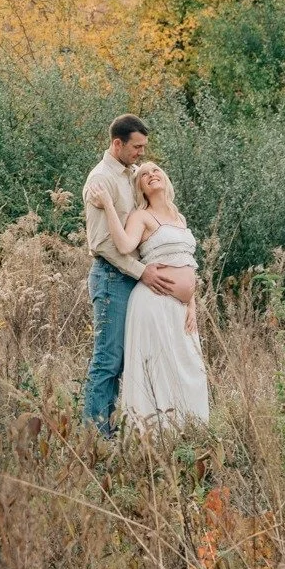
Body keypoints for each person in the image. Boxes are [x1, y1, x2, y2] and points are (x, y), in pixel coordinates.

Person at [88, 160, 209, 432]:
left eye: (155, 170)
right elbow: (123, 245)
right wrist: (108, 204)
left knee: (190, 368)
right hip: (154, 303)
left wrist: (191, 303)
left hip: (181, 309)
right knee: (160, 369)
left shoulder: (180, 218)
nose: (151, 174)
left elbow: (187, 263)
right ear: (140, 188)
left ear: (165, 177)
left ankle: (188, 431)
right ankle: (153, 435)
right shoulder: (141, 216)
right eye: (144, 175)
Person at [81, 115, 178, 434]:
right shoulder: (101, 180)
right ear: (117, 144)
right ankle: (96, 438)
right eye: (136, 147)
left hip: (134, 280)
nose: (141, 152)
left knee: (128, 360)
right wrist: (142, 271)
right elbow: (102, 243)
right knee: (108, 360)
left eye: (143, 146)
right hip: (112, 277)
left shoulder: (132, 173)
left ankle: (119, 431)